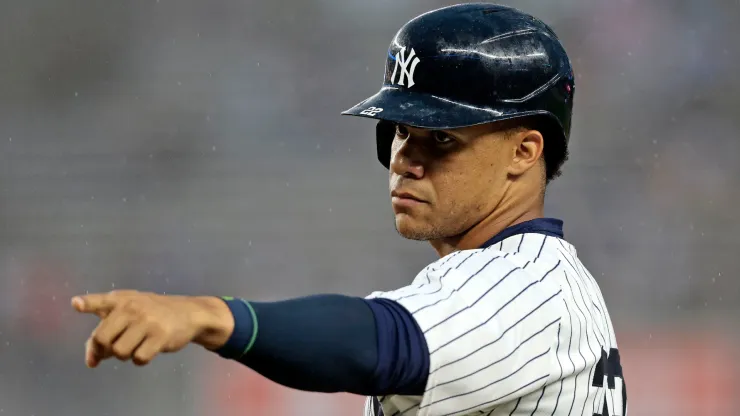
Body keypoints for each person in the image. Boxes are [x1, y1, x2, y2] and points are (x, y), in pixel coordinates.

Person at [72, 4, 627, 415]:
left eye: (441, 139)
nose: (404, 159)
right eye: (400, 132)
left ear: (524, 151)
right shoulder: (514, 278)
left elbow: (378, 344)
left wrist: (213, 317)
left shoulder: (531, 288)